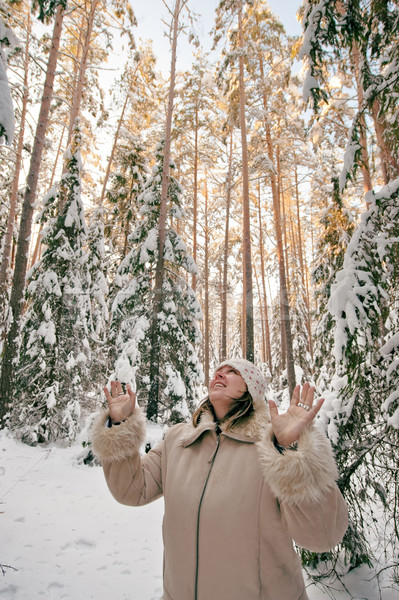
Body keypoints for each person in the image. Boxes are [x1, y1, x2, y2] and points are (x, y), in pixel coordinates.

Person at [91, 358, 348, 600]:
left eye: (234, 372)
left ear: (252, 389)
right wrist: (119, 424)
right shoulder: (178, 440)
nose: (220, 374)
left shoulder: (273, 446)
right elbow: (131, 489)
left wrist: (292, 451)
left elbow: (323, 536)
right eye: (218, 371)